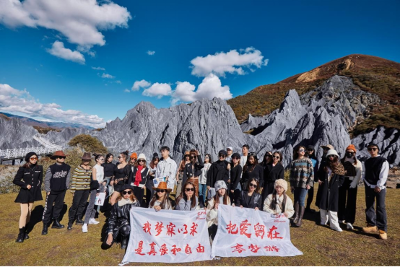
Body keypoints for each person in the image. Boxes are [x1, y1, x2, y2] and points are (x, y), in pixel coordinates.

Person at [13, 152, 43, 243]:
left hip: (33, 193)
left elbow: (39, 180)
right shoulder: (23, 169)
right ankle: (20, 234)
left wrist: (37, 188)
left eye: (35, 158)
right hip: (25, 193)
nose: (34, 160)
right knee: (24, 213)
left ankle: (26, 231)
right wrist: (25, 185)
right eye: (32, 158)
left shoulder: (39, 168)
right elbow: (15, 180)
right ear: (28, 159)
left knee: (29, 212)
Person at [362, 143, 389, 240]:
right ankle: (371, 225)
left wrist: (379, 185)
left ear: (378, 150)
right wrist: (366, 183)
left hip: (379, 188)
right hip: (369, 186)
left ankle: (382, 229)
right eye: (370, 149)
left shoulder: (383, 161)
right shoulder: (367, 161)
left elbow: (384, 174)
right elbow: (364, 173)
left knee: (380, 207)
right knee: (369, 205)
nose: (372, 151)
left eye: (374, 149)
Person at [42, 151, 71, 235]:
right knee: (48, 208)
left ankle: (56, 222)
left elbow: (67, 178)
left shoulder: (67, 167)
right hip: (52, 191)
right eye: (61, 157)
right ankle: (45, 226)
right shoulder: (51, 168)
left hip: (62, 191)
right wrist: (48, 190)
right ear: (56, 158)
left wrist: (66, 187)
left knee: (58, 207)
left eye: (64, 157)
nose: (63, 159)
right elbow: (47, 179)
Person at [105, 185, 140, 249]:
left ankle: (127, 240)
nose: (127, 194)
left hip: (132, 224)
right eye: (124, 192)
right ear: (121, 193)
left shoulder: (136, 203)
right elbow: (112, 218)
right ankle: (121, 238)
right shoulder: (117, 203)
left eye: (129, 192)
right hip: (119, 225)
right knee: (105, 245)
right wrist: (110, 233)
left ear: (132, 193)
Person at [317, 149, 345, 232]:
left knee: (333, 205)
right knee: (323, 203)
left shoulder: (339, 166)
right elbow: (319, 173)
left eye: (333, 156)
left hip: (334, 188)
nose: (331, 157)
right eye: (329, 156)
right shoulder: (324, 165)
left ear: (336, 156)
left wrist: (338, 185)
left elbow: (342, 178)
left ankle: (334, 224)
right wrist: (319, 179)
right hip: (325, 186)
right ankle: (323, 220)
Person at [338, 144, 363, 230]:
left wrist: (354, 183)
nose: (350, 154)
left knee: (351, 201)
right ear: (346, 152)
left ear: (354, 153)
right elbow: (338, 170)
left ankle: (350, 220)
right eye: (348, 152)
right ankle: (341, 217)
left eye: (352, 152)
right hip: (343, 181)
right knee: (341, 199)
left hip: (352, 182)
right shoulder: (341, 161)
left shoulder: (357, 162)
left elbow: (359, 173)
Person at [289, 146, 314, 227]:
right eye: (301, 150)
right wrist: (291, 185)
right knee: (296, 200)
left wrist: (309, 183)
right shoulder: (294, 162)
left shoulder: (308, 161)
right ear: (297, 151)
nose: (303, 151)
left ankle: (300, 219)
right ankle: (295, 216)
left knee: (301, 200)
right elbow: (291, 174)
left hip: (304, 184)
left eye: (304, 150)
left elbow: (311, 173)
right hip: (296, 184)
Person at [67, 152, 92, 230]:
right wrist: (73, 190)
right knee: (75, 204)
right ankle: (70, 221)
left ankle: (78, 218)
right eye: (85, 160)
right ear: (82, 160)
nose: (86, 161)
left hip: (86, 189)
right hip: (78, 189)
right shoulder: (78, 168)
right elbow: (74, 179)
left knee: (83, 204)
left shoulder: (91, 168)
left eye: (87, 160)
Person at [82, 154, 105, 233]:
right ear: (97, 160)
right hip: (96, 187)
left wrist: (103, 187)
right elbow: (95, 180)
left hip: (101, 185)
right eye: (101, 159)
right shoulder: (94, 168)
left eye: (103, 159)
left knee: (97, 203)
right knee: (91, 204)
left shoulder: (102, 167)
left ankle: (92, 218)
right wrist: (98, 190)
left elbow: (102, 178)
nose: (103, 160)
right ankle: (85, 223)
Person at [305, 145, 319, 213]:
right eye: (309, 149)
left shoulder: (315, 159)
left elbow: (316, 170)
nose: (310, 151)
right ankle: (301, 207)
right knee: (303, 192)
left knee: (311, 194)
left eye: (311, 150)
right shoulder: (304, 157)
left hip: (311, 178)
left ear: (313, 151)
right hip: (304, 177)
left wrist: (316, 178)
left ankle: (308, 207)